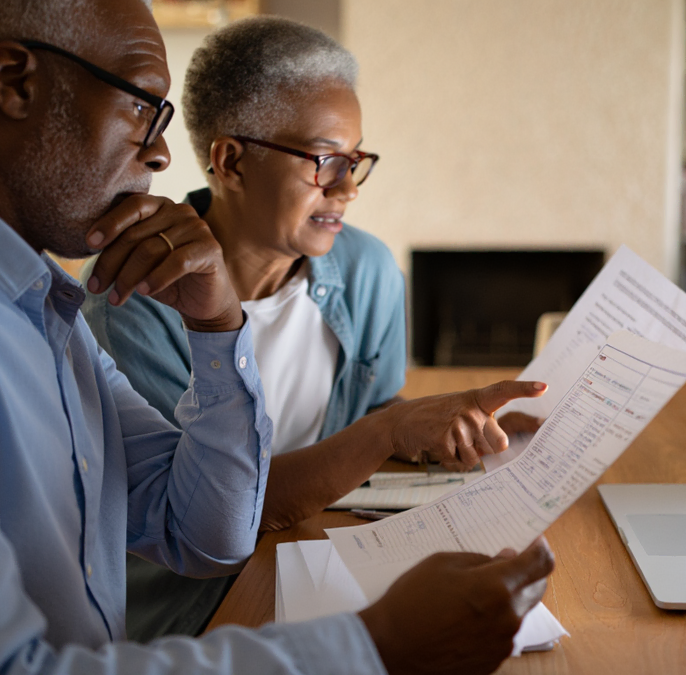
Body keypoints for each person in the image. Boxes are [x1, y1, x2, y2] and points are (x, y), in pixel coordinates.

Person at [0, 1, 554, 674]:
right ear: (14, 80)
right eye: (141, 107)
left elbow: (204, 529)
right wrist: (371, 646)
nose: (163, 156)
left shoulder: (28, 295)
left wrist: (216, 325)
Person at [81, 17, 545, 641]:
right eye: (325, 161)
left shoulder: (367, 270)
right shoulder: (132, 300)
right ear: (231, 161)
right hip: (196, 617)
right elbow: (210, 518)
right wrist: (387, 430)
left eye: (355, 162)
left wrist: (448, 429)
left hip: (316, 557)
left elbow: (376, 414)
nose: (348, 189)